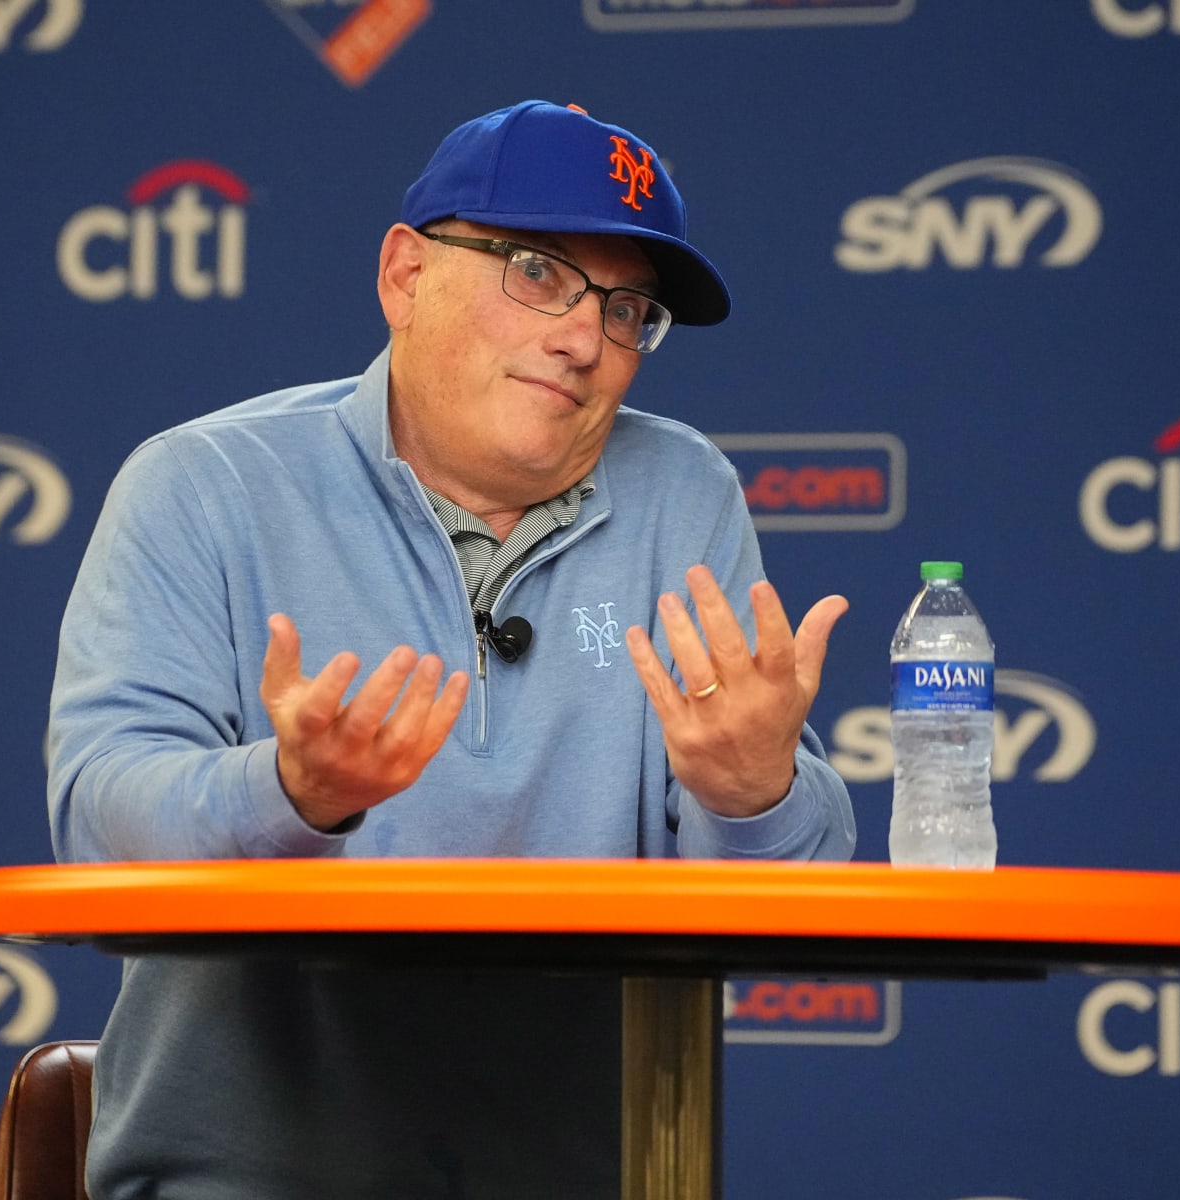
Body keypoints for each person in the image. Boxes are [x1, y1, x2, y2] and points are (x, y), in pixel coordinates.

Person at [46, 99, 857, 1198]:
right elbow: (97, 822)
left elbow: (791, 897)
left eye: (629, 310)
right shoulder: (208, 481)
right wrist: (290, 794)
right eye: (536, 271)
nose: (583, 337)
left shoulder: (684, 493)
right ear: (404, 277)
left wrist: (753, 793)